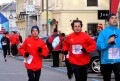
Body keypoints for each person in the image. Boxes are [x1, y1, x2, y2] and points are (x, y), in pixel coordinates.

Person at [97, 13, 120, 81]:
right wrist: (108, 42)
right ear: (108, 21)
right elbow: (98, 47)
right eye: (112, 18)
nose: (114, 19)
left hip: (118, 61)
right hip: (106, 61)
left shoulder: (119, 32)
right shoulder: (103, 32)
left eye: (116, 18)